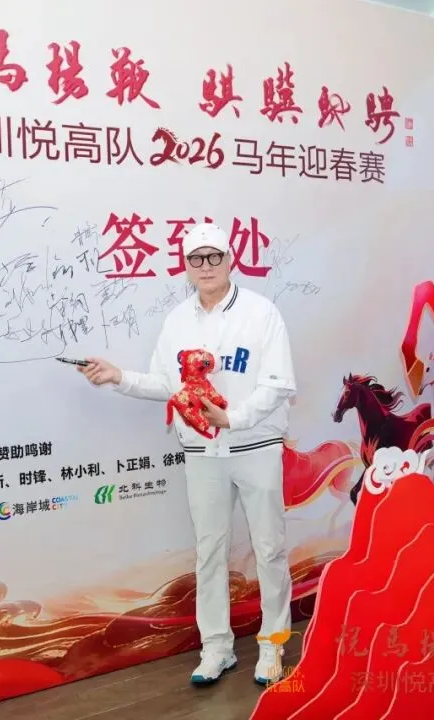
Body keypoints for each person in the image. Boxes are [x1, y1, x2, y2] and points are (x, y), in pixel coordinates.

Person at [78, 223, 296, 686]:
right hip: (201, 450)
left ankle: (273, 644)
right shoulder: (178, 319)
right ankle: (216, 648)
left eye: (214, 257)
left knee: (270, 548)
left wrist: (232, 418)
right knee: (209, 550)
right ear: (186, 266)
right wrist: (118, 377)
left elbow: (278, 384)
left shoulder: (261, 313)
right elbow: (166, 383)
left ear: (230, 260)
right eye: (196, 259)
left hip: (254, 445)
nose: (205, 267)